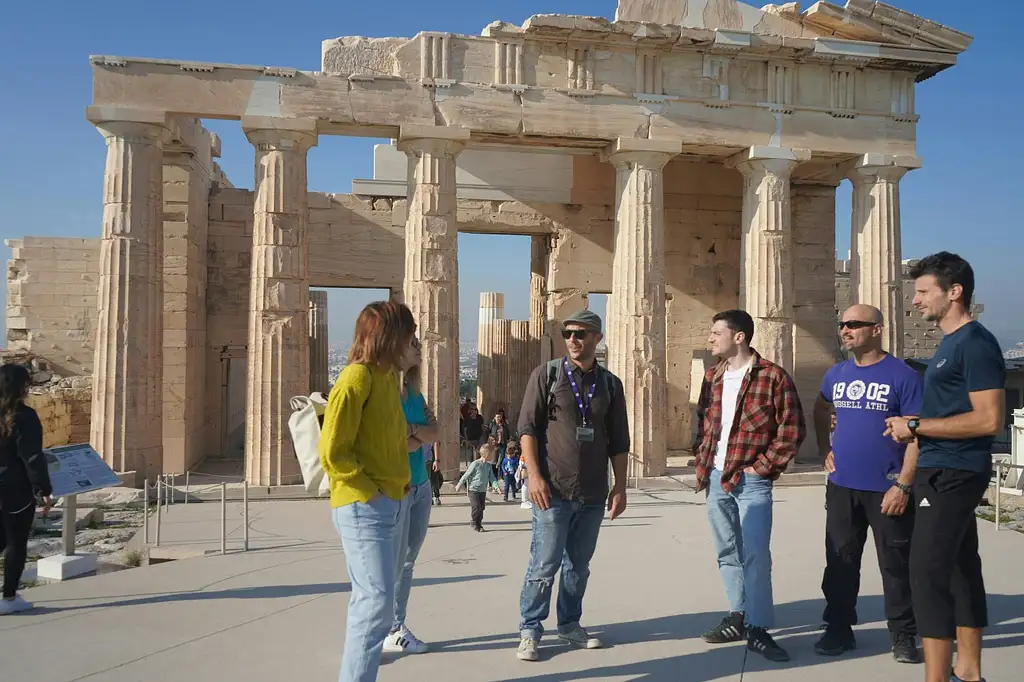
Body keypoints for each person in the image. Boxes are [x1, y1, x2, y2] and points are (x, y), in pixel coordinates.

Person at [883, 253, 1005, 682]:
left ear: (954, 292)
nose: (914, 301)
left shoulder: (974, 343)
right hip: (941, 468)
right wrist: (912, 430)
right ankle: (968, 672)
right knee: (959, 567)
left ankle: (937, 679)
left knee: (926, 574)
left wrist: (914, 424)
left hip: (953, 472)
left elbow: (989, 418)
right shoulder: (950, 344)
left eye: (922, 291)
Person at [515, 309, 629, 662]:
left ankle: (569, 624)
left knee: (578, 566)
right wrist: (534, 475)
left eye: (581, 334)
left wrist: (621, 486)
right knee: (543, 564)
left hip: (593, 492)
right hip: (552, 488)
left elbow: (619, 441)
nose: (573, 340)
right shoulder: (547, 375)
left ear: (597, 337)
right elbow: (527, 429)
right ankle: (530, 629)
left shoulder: (610, 384)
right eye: (568, 334)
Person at [693, 309, 806, 663]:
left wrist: (762, 468)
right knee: (727, 552)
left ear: (738, 336)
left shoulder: (773, 377)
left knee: (755, 555)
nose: (710, 338)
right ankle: (738, 615)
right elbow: (704, 422)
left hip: (751, 480)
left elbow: (792, 429)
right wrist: (702, 458)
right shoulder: (712, 376)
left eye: (716, 333)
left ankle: (758, 628)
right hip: (715, 475)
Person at [813, 304, 923, 663]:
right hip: (843, 484)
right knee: (840, 560)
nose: (845, 330)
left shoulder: (902, 375)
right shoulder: (836, 374)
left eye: (854, 324)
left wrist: (905, 484)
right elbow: (821, 407)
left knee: (895, 563)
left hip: (888, 487)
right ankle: (839, 628)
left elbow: (918, 434)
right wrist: (824, 448)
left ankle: (903, 635)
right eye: (842, 324)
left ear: (877, 329)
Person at [319, 300, 417, 682]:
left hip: (390, 500)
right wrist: (369, 490)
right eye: (408, 333)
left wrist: (398, 482)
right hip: (364, 506)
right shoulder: (356, 378)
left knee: (375, 601)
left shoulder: (385, 378)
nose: (412, 340)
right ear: (389, 335)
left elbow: (384, 441)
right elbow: (331, 449)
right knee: (375, 603)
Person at [383, 337, 439, 655]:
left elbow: (435, 431)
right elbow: (390, 441)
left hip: (421, 484)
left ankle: (395, 624)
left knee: (407, 561)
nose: (420, 346)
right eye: (413, 343)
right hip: (397, 485)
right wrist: (416, 435)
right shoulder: (385, 393)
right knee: (395, 561)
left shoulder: (415, 393)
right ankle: (391, 627)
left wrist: (411, 431)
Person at [0, 363, 53, 615]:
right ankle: (9, 597)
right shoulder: (24, 416)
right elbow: (31, 456)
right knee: (15, 543)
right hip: (15, 489)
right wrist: (43, 488)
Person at [454, 443, 501, 531]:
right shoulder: (475, 464)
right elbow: (466, 474)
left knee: (482, 508)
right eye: (492, 455)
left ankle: (479, 524)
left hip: (482, 490)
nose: (493, 457)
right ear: (487, 455)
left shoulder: (488, 466)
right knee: (476, 506)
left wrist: (496, 486)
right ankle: (474, 521)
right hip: (473, 490)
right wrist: (459, 485)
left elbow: (492, 477)